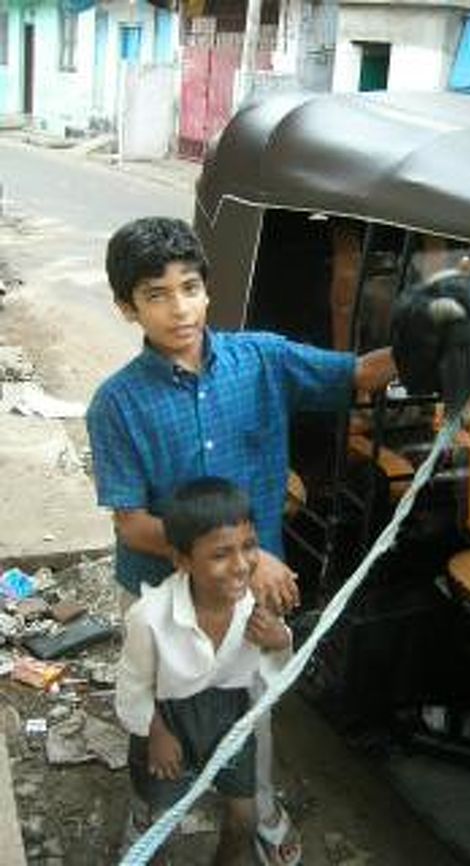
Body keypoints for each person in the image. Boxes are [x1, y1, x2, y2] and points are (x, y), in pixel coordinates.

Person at [86, 216, 396, 861]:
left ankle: (260, 818)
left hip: (247, 598)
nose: (179, 308)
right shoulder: (116, 404)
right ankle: (150, 819)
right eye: (156, 294)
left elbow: (361, 374)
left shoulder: (262, 359)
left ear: (208, 289)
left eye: (190, 287)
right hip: (160, 595)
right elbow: (133, 524)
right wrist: (242, 564)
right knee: (160, 716)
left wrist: (433, 333)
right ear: (126, 307)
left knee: (250, 710)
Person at [116, 477, 292, 865]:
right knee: (160, 816)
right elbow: (133, 686)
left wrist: (280, 641)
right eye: (220, 554)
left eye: (249, 547)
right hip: (168, 718)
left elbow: (272, 674)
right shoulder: (150, 617)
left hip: (230, 717)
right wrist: (156, 732)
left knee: (243, 818)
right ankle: (141, 825)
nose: (242, 564)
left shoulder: (255, 605)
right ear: (181, 560)